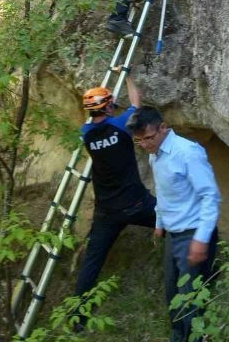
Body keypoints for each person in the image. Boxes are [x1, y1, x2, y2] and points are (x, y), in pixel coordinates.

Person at [127, 107, 221, 342]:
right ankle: (178, 337)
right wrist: (159, 222)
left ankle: (196, 338)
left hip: (194, 234)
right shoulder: (155, 153)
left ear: (163, 127)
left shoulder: (187, 153)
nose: (145, 145)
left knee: (191, 301)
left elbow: (210, 196)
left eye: (149, 138)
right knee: (173, 295)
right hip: (173, 234)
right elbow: (164, 191)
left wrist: (201, 239)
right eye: (139, 141)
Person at [73, 73, 157, 303]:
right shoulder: (121, 126)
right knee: (179, 223)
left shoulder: (86, 134)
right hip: (136, 203)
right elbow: (136, 104)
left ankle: (77, 316)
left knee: (93, 261)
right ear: (108, 107)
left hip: (107, 210)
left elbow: (93, 120)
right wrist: (128, 76)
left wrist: (97, 105)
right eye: (110, 103)